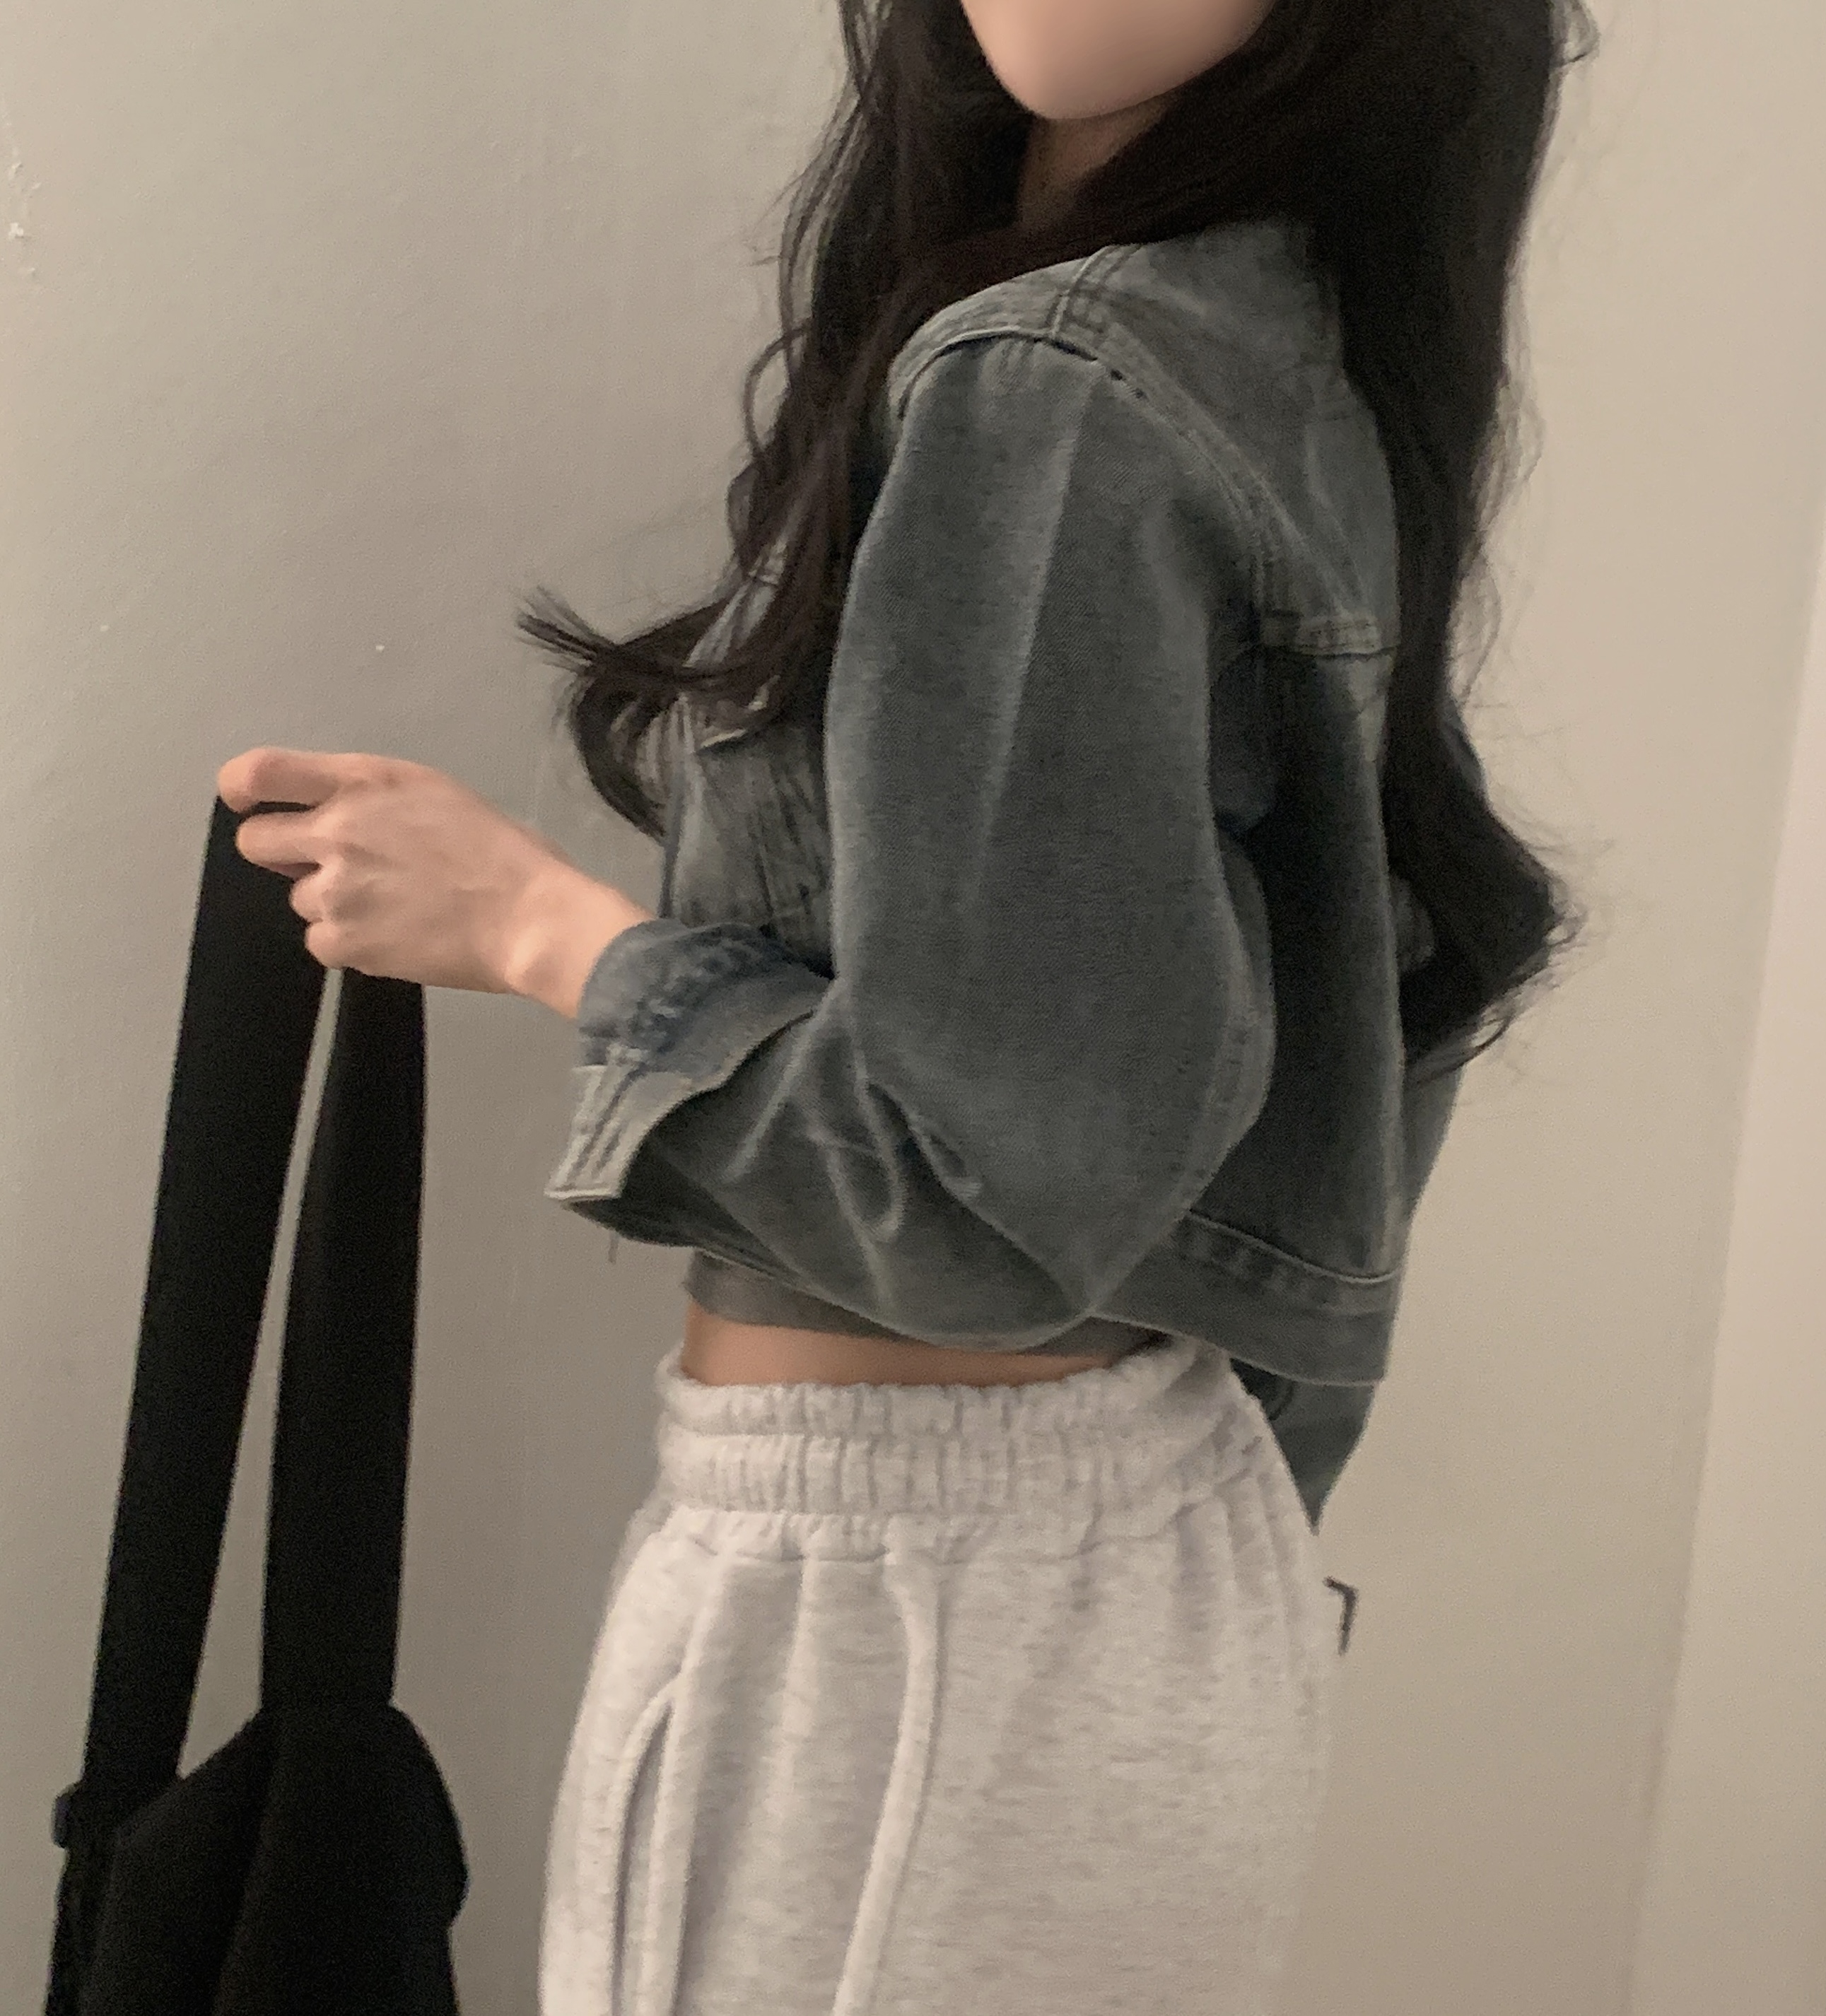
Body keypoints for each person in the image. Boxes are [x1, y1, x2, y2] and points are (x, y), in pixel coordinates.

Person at [223, 1, 1596, 2008]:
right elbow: (1335, 1098)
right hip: (1111, 1563)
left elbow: (975, 1207)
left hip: (922, 1613)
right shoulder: (1292, 342)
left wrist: (541, 932)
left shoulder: (1065, 383)